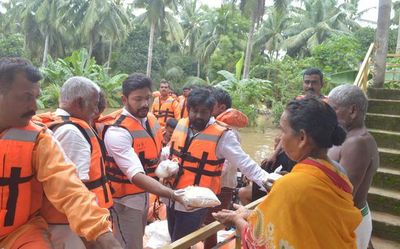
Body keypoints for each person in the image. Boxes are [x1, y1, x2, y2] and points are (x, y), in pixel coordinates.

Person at [0, 57, 121, 248]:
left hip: (20, 234)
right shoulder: (70, 131)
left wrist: (102, 234)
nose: (34, 107)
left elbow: (70, 189)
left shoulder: (40, 140)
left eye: (36, 97)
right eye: (25, 97)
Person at [213, 97, 362, 249]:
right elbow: (310, 223)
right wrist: (249, 214)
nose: (280, 138)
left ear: (302, 138)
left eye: (283, 130)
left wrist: (236, 220)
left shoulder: (291, 185)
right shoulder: (338, 175)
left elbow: (262, 242)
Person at [167, 87, 270, 242]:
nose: (198, 116)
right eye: (194, 111)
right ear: (188, 109)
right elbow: (170, 151)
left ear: (212, 111)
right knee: (174, 238)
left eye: (204, 112)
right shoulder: (182, 124)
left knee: (179, 242)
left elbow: (245, 163)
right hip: (171, 196)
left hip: (195, 201)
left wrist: (270, 182)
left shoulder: (224, 135)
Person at [102, 73, 184, 249]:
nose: (144, 104)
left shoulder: (150, 119)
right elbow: (136, 174)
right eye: (137, 99)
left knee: (137, 240)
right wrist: (172, 194)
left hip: (144, 196)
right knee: (129, 245)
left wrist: (169, 162)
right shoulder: (117, 132)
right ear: (124, 99)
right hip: (125, 201)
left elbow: (154, 154)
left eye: (147, 98)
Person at [34, 77, 113, 248]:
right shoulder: (73, 133)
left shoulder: (56, 123)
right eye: (94, 103)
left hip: (65, 223)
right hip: (69, 227)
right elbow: (76, 191)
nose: (96, 110)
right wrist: (92, 239)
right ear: (79, 102)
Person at [241, 68, 326, 204]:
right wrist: (274, 153)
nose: (310, 86)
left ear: (322, 85)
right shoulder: (297, 102)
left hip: (311, 155)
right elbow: (286, 131)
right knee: (267, 165)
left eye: (314, 83)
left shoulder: (326, 106)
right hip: (291, 150)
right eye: (307, 82)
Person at [328, 85, 379, 249]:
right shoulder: (347, 137)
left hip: (348, 222)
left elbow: (343, 196)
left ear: (353, 111)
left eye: (333, 109)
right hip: (352, 219)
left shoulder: (357, 143)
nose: (328, 115)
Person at [203, 87, 249, 249]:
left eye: (211, 105)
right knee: (207, 224)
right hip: (214, 185)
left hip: (221, 186)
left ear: (221, 108)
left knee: (210, 226)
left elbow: (227, 164)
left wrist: (206, 176)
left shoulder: (230, 133)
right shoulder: (215, 128)